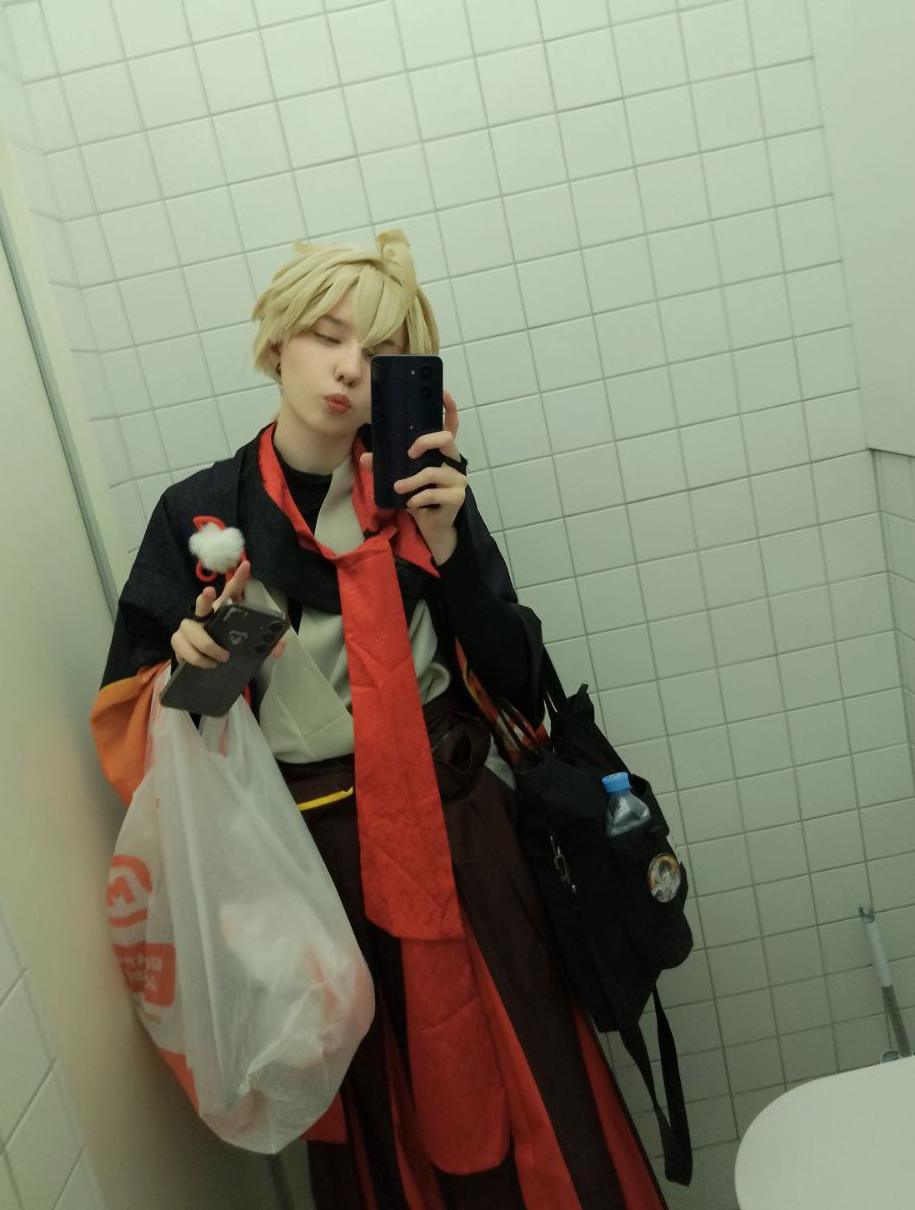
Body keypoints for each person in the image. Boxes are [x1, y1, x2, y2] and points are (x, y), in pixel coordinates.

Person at [90, 229, 667, 1210]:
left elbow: (518, 679)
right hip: (302, 866)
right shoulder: (202, 512)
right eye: (327, 336)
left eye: (380, 352)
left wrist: (449, 544)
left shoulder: (415, 491)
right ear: (278, 343)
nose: (350, 367)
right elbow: (156, 739)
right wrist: (198, 660)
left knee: (522, 1064)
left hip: (461, 839)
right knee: (371, 1100)